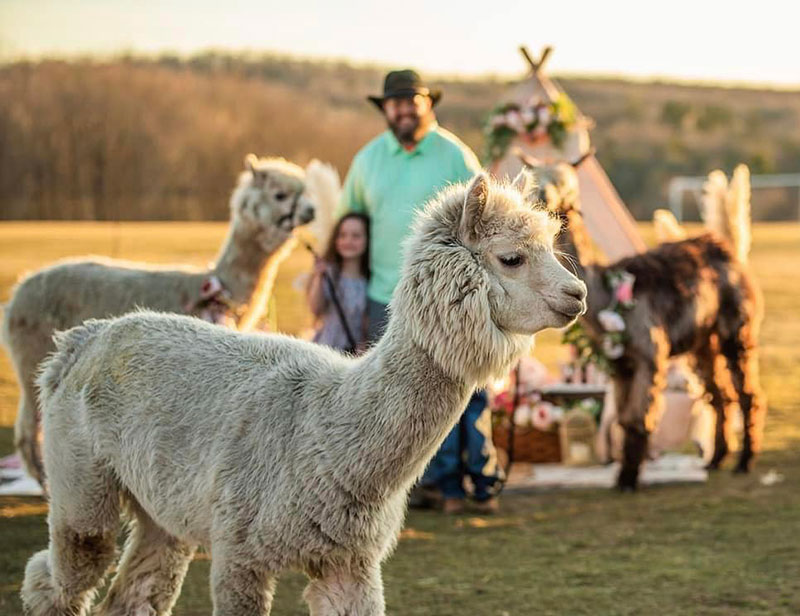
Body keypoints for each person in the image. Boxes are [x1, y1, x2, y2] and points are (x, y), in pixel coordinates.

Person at [336, 69, 502, 514]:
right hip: (384, 295)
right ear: (385, 109)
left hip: (450, 299)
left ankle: (476, 480)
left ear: (428, 104)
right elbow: (347, 222)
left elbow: (483, 220)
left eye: (413, 100)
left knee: (463, 391)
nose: (404, 108)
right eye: (396, 102)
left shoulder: (453, 156)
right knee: (399, 395)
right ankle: (423, 483)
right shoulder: (368, 160)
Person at [307, 213, 370, 353]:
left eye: (356, 236)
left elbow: (366, 324)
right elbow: (315, 308)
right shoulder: (329, 274)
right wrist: (319, 276)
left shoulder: (370, 281)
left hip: (353, 353)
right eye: (342, 235)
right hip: (326, 349)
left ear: (367, 240)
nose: (348, 241)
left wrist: (364, 346)